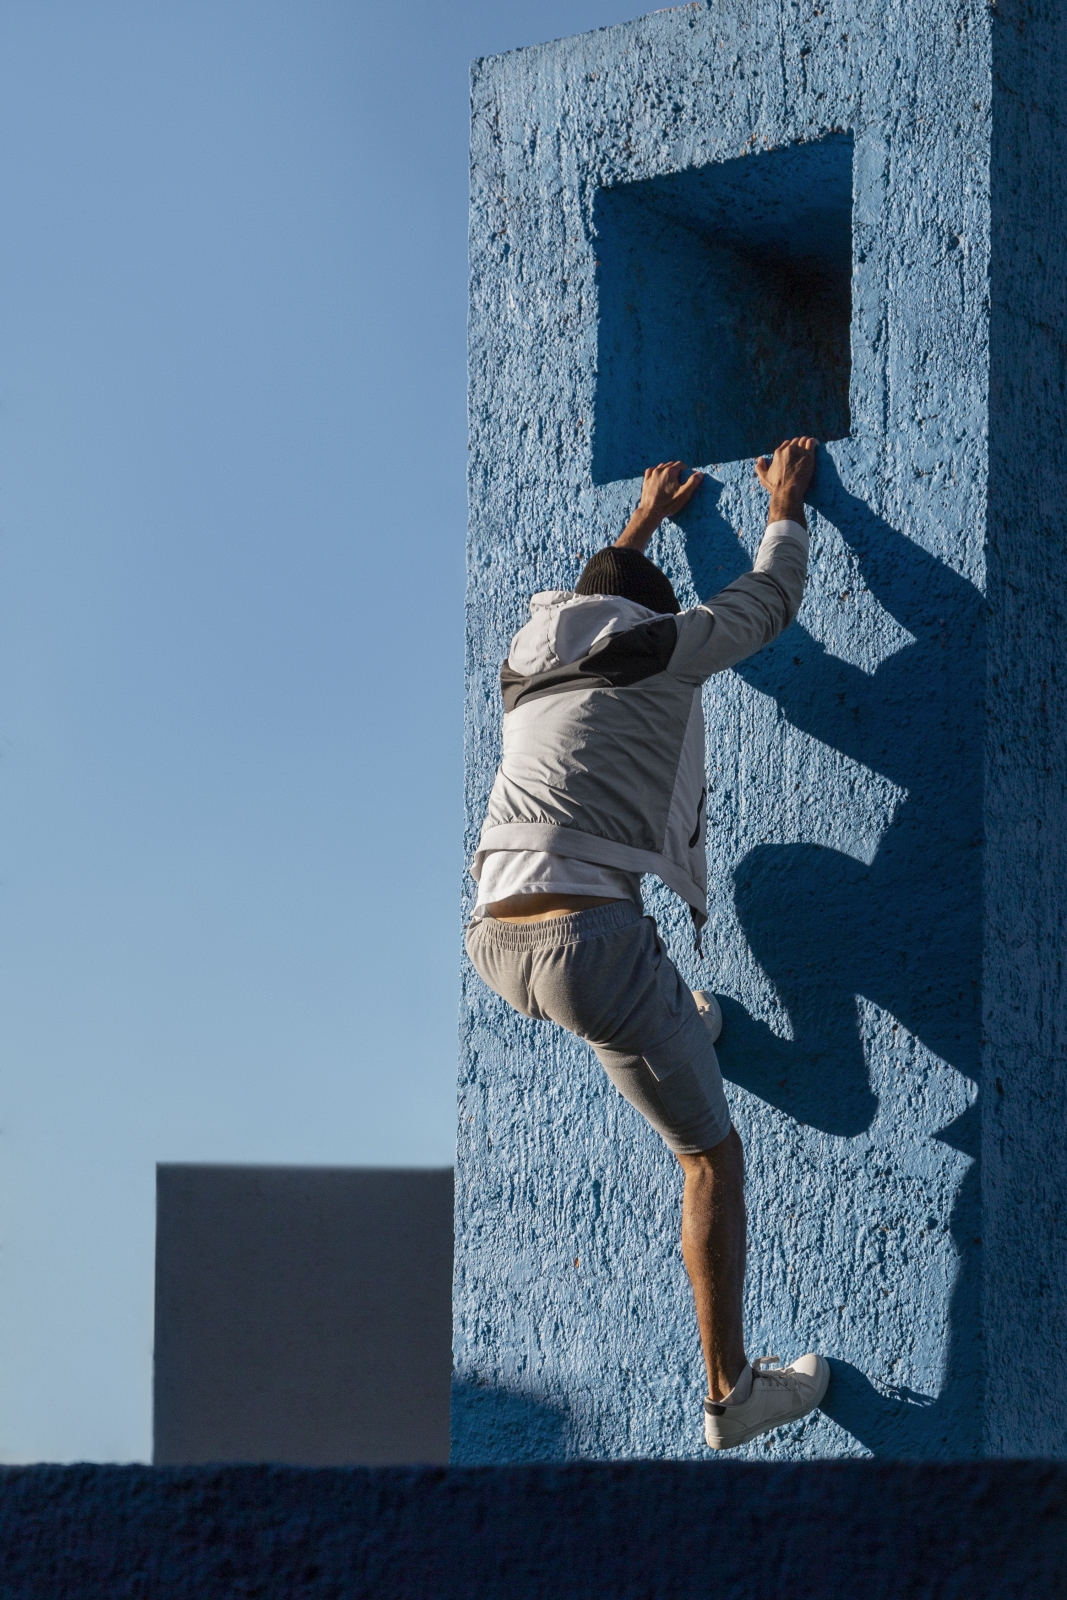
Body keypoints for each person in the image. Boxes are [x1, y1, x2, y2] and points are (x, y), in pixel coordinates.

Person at [465, 438, 829, 1451]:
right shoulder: (664, 644)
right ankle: (730, 1393)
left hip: (495, 941)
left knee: (635, 976)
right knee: (709, 1157)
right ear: (652, 612)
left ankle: (677, 1023)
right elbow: (769, 599)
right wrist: (785, 504)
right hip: (588, 953)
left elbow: (599, 590)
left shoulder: (523, 663)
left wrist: (638, 522)